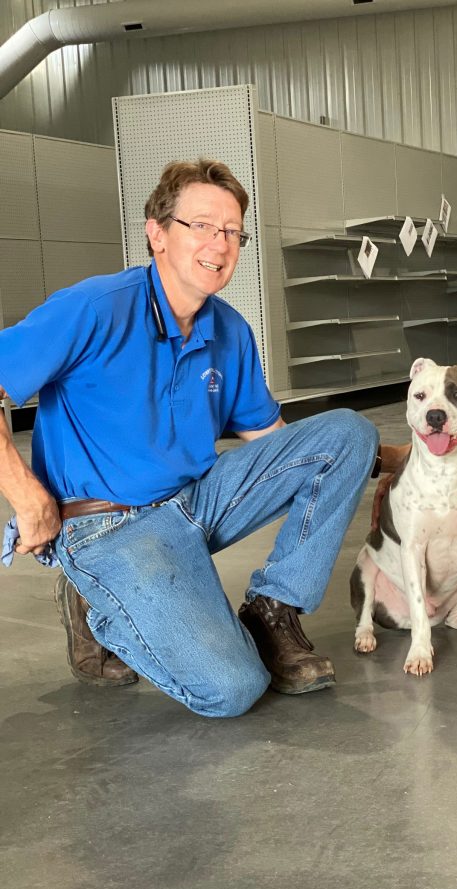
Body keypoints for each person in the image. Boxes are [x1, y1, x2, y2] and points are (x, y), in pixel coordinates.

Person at [0, 158, 384, 717]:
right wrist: (27, 495)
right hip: (106, 524)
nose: (220, 243)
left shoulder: (228, 329)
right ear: (157, 233)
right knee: (230, 689)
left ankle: (273, 609)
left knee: (349, 432)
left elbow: (274, 439)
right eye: (201, 225)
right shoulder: (95, 308)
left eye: (231, 231)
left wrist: (392, 455)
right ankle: (93, 596)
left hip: (193, 502)